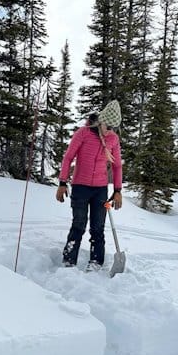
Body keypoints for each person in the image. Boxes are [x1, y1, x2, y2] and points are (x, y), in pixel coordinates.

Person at [56, 100, 123, 269]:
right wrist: (62, 182)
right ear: (101, 121)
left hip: (100, 189)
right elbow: (68, 157)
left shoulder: (113, 139)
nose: (110, 130)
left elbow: (117, 166)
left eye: (114, 127)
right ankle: (69, 260)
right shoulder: (83, 133)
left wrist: (117, 190)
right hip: (80, 186)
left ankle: (96, 262)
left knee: (98, 228)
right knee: (78, 224)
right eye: (108, 126)